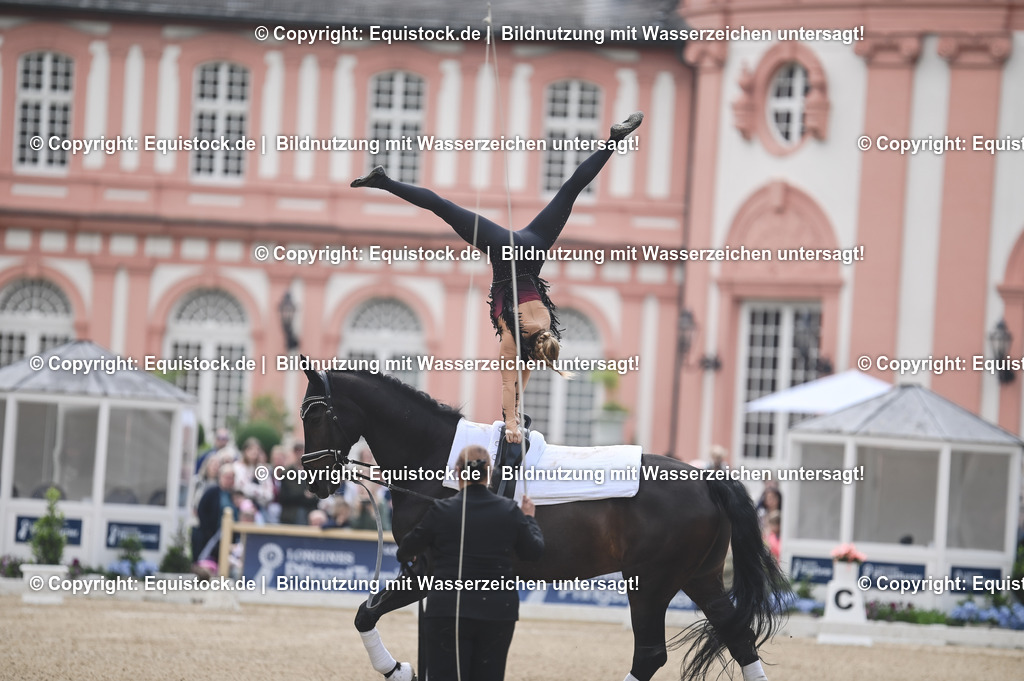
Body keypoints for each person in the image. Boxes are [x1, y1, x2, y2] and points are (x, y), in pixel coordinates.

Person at [352, 112, 644, 443]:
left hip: (534, 246)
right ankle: (383, 182)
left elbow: (527, 367)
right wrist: (513, 425)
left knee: (570, 189)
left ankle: (614, 140)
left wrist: (518, 413)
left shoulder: (544, 326)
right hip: (504, 251)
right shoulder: (514, 339)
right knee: (444, 209)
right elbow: (511, 383)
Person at [393, 445, 544, 681]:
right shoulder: (509, 511)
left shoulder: (441, 510)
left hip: (447, 609)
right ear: (489, 472)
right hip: (496, 611)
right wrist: (529, 519)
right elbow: (534, 551)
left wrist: (416, 551)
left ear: (457, 471)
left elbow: (405, 550)